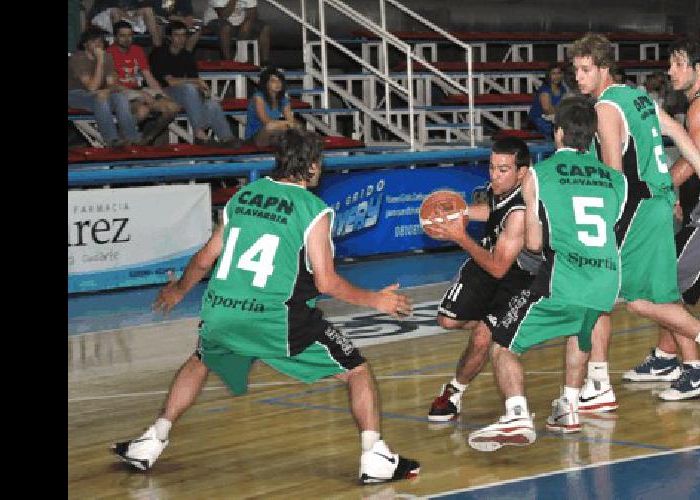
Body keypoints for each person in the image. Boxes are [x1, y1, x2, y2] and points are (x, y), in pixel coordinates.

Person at [111, 129, 421, 484]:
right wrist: (375, 299)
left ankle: (151, 441)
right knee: (356, 371)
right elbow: (327, 283)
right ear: (312, 166)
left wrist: (179, 291)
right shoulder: (313, 211)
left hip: (224, 310)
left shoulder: (243, 196)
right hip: (278, 319)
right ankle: (375, 456)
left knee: (200, 361)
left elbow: (204, 259)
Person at [567, 33, 700, 413]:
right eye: (576, 70)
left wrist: (597, 222)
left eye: (585, 70)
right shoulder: (637, 96)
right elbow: (680, 134)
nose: (579, 77)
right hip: (660, 203)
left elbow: (614, 176)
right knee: (663, 294)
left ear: (603, 68)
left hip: (638, 210)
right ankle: (694, 366)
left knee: (631, 299)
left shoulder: (606, 108)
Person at [467, 95, 626, 451]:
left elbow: (536, 244)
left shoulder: (539, 174)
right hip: (606, 281)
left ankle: (517, 413)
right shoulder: (617, 180)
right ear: (593, 136)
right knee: (580, 331)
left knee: (503, 345)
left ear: (557, 134)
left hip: (564, 278)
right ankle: (568, 406)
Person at [621, 37, 700, 401]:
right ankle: (666, 357)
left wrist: (656, 192)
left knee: (661, 289)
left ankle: (699, 367)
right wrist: (676, 195)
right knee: (668, 287)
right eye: (671, 64)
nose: (670, 70)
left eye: (679, 64)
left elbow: (694, 159)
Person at [421, 136, 542, 423]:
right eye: (491, 168)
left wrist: (460, 236)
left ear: (521, 173)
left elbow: (500, 268)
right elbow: (491, 210)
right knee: (447, 320)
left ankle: (453, 392)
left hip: (516, 275)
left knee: (482, 338)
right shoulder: (497, 189)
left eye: (503, 170)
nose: (494, 176)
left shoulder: (521, 211)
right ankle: (502, 324)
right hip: (488, 258)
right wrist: (459, 213)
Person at [149, 21, 244, 148]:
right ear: (169, 37)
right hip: (164, 94)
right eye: (177, 35)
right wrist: (196, 82)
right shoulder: (159, 54)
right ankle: (199, 134)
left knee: (212, 104)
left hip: (187, 97)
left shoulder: (187, 56)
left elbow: (195, 83)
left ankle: (227, 138)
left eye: (184, 35)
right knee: (189, 88)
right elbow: (171, 82)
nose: (181, 39)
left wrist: (204, 92)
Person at [108, 20, 182, 144]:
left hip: (139, 90)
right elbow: (113, 85)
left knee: (173, 107)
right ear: (115, 37)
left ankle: (147, 138)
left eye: (130, 35)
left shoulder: (137, 50)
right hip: (120, 93)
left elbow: (148, 77)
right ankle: (121, 138)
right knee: (142, 111)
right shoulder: (109, 54)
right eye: (123, 36)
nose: (127, 39)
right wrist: (140, 95)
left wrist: (161, 94)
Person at [69, 28, 143, 147]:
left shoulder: (107, 57)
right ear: (85, 44)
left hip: (98, 94)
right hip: (75, 94)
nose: (98, 44)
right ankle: (111, 140)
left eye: (100, 41)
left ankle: (132, 137)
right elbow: (92, 87)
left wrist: (106, 90)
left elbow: (112, 84)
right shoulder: (78, 58)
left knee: (120, 97)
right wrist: (100, 61)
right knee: (101, 98)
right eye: (94, 41)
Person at [203, 0, 272, 63]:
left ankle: (265, 64)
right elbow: (223, 16)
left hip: (239, 24)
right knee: (226, 28)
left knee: (265, 27)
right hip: (216, 22)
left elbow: (253, 12)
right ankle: (228, 62)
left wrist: (248, 22)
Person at [246, 66, 299, 147]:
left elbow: (291, 120)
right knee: (270, 126)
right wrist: (288, 124)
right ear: (266, 83)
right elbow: (266, 121)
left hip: (274, 133)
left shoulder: (284, 99)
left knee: (297, 128)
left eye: (279, 81)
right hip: (255, 137)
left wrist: (290, 125)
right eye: (273, 81)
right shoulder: (258, 97)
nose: (278, 84)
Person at [528, 63, 569, 140]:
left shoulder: (563, 89)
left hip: (553, 119)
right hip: (539, 121)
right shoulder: (545, 89)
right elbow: (547, 110)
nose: (556, 76)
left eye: (558, 73)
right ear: (549, 75)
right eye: (553, 73)